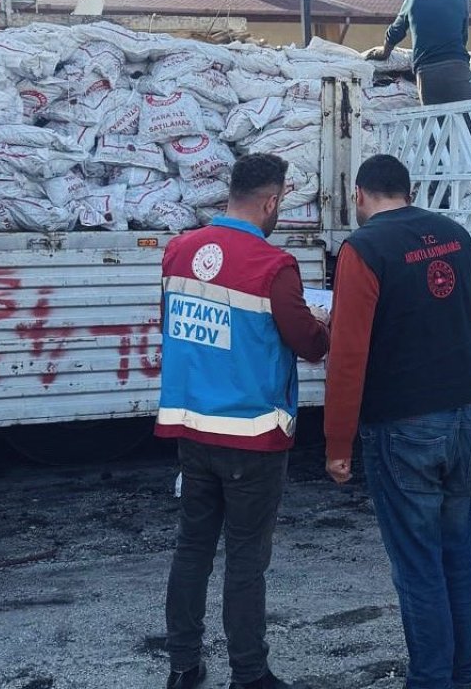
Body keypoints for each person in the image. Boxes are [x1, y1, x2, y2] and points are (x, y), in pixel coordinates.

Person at [323, 154, 471, 689]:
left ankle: (430, 681)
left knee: (419, 570)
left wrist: (338, 441)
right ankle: (462, 676)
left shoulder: (364, 249)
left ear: (360, 195)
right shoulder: (454, 235)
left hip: (400, 428)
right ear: (409, 189)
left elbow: (348, 353)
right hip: (460, 418)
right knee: (457, 562)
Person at [157, 153, 330, 689]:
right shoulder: (273, 265)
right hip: (253, 436)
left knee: (192, 551)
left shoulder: (179, 251)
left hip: (192, 429)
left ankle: (184, 667)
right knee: (245, 561)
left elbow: (175, 327)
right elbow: (310, 344)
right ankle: (250, 675)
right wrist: (326, 318)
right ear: (272, 201)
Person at [364, 0, 471, 106]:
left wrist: (384, 52)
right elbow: (463, 37)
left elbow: (395, 32)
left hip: (427, 72)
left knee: (437, 123)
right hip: (457, 67)